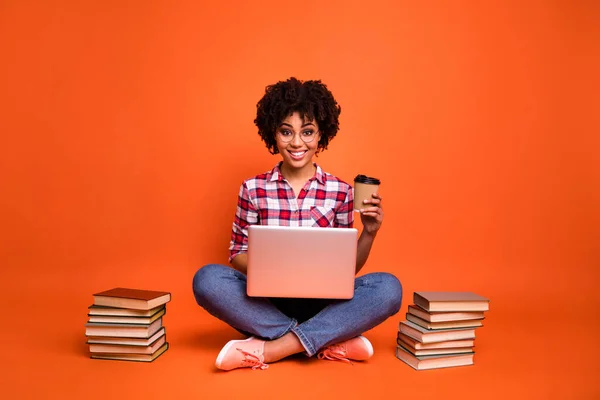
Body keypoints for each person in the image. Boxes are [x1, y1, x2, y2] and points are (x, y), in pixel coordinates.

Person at [192, 77, 402, 371]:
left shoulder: (341, 191)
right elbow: (236, 251)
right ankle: (326, 339)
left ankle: (275, 347)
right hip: (267, 303)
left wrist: (369, 232)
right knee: (207, 280)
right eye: (286, 132)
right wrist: (273, 269)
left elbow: (348, 269)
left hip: (323, 303)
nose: (296, 142)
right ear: (273, 134)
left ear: (321, 135)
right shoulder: (253, 188)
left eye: (307, 132)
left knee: (388, 289)